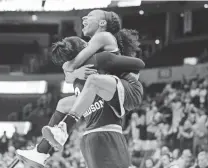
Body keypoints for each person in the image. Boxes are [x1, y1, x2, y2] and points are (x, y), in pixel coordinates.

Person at [17, 9, 144, 168]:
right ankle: (41, 151)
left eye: (90, 16)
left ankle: (64, 129)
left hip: (129, 89)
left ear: (102, 23)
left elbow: (74, 62)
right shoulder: (93, 58)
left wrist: (71, 71)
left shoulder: (102, 40)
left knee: (92, 81)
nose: (84, 17)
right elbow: (71, 65)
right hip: (109, 95)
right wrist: (72, 72)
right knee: (63, 103)